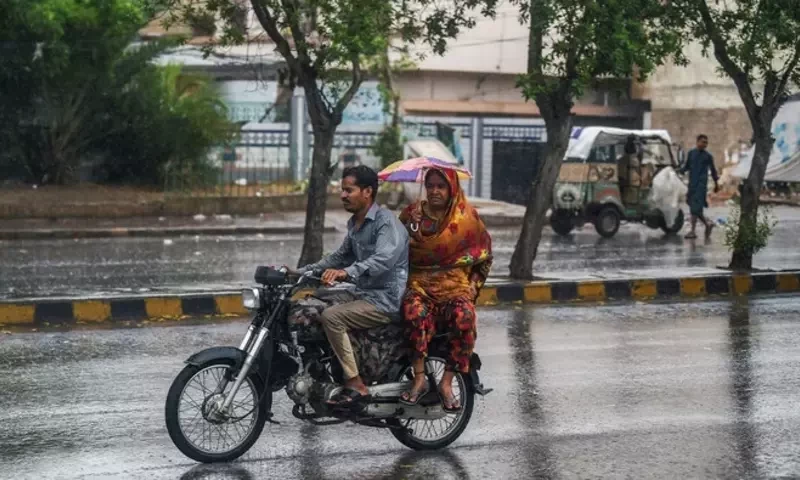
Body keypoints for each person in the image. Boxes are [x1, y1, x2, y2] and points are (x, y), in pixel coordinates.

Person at [296, 165, 409, 407]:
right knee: (310, 304)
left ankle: (356, 382)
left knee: (332, 317)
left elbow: (383, 259)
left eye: (349, 190)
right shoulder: (355, 224)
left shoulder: (385, 222)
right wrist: (300, 273)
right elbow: (338, 258)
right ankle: (323, 371)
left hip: (385, 299)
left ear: (367, 192)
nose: (343, 195)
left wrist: (346, 272)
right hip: (363, 293)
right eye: (342, 190)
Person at [397, 168, 492, 412]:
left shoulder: (467, 217)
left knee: (465, 317)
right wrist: (411, 230)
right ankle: (419, 378)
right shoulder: (411, 214)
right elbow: (393, 248)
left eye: (441, 186)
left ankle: (447, 382)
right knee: (413, 313)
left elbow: (484, 256)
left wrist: (472, 287)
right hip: (419, 285)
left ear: (452, 189)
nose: (435, 191)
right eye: (431, 186)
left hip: (454, 287)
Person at [680, 134, 720, 239]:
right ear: (697, 142)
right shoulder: (691, 154)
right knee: (695, 208)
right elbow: (687, 167)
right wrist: (678, 171)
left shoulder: (708, 156)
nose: (705, 144)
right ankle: (708, 224)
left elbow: (713, 171)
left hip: (701, 185)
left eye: (706, 143)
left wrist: (716, 184)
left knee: (695, 208)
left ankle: (692, 231)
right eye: (703, 142)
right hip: (692, 184)